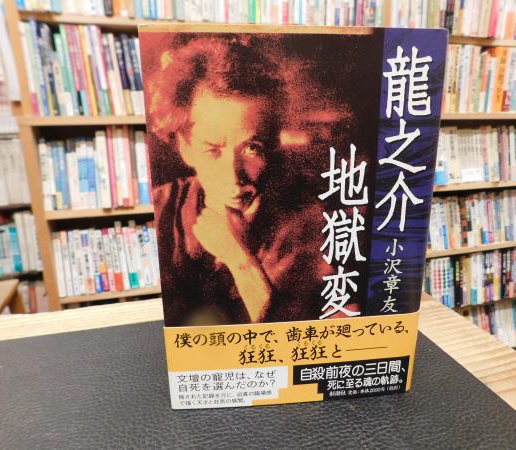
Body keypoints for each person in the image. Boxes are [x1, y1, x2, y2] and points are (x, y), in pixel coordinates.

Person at [146, 35, 360, 326]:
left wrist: (240, 260)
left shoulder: (316, 223)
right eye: (213, 150)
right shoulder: (158, 212)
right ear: (185, 146)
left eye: (251, 149)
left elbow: (308, 339)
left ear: (273, 145)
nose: (233, 177)